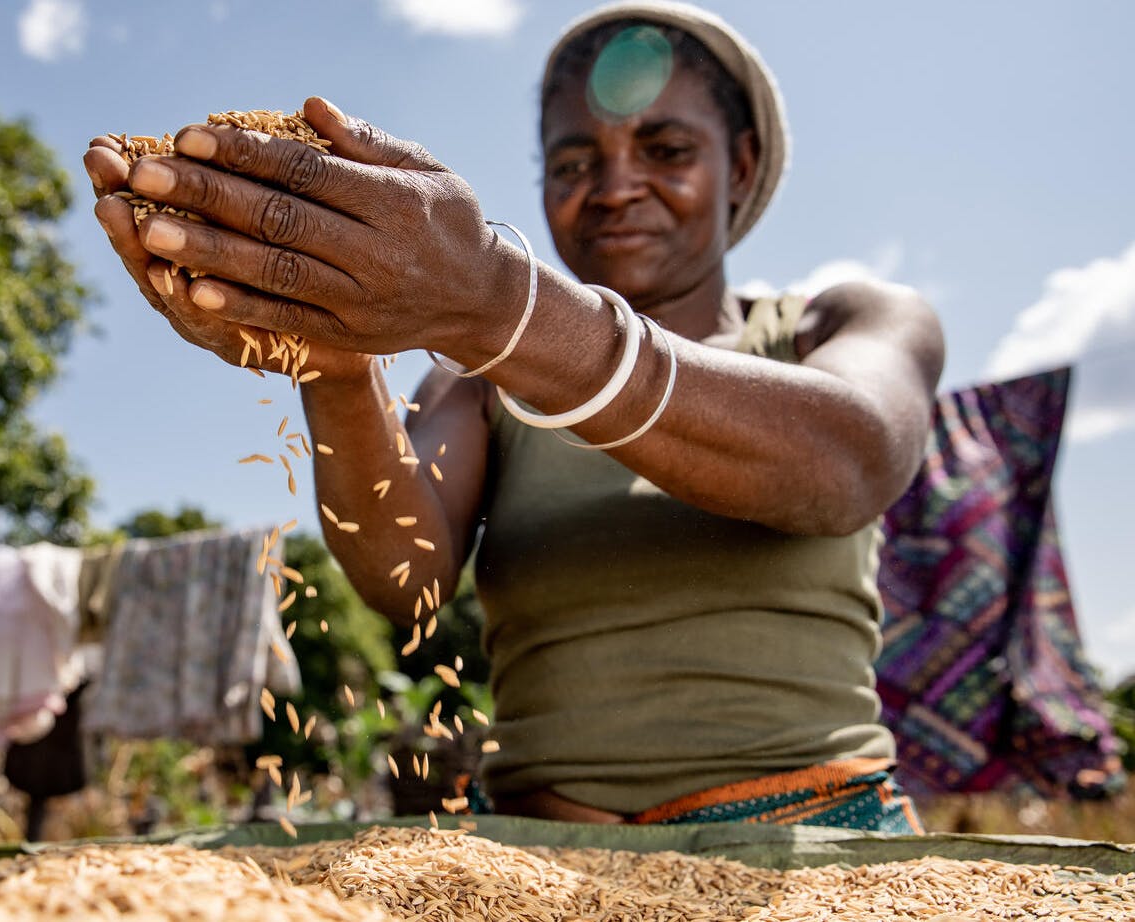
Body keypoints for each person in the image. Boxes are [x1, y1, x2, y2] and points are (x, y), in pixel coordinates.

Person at [82, 0, 944, 832]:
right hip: (538, 850)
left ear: (743, 167)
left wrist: (501, 303)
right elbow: (406, 585)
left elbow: (850, 464)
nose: (614, 187)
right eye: (573, 164)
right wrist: (338, 366)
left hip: (818, 835)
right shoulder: (479, 378)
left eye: (666, 148)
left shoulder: (835, 324)